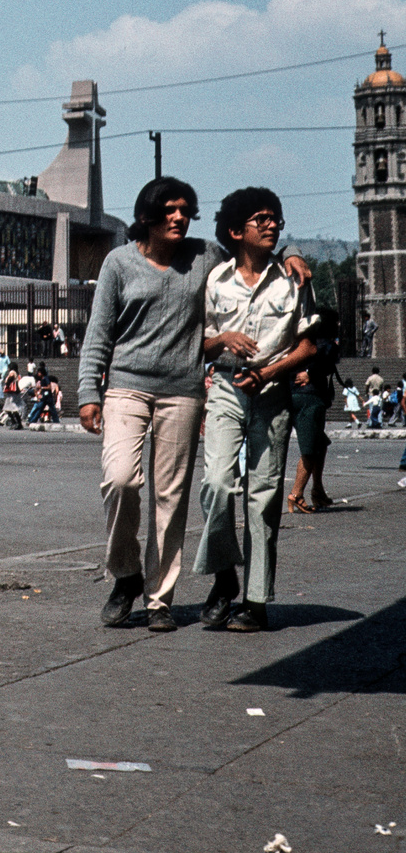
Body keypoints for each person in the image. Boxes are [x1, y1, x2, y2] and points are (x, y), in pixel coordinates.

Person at [78, 175, 312, 633]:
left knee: (172, 497)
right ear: (147, 215)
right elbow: (98, 333)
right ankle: (126, 574)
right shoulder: (119, 263)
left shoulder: (204, 256)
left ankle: (160, 599)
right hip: (126, 386)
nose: (180, 217)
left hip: (183, 391)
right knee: (120, 479)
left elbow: (253, 258)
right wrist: (89, 392)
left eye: (186, 210)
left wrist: (292, 254)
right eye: (170, 210)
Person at [192, 188, 318, 633]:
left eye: (275, 220)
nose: (270, 225)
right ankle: (225, 576)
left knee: (263, 499)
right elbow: (201, 343)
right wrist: (223, 340)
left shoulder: (293, 279)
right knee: (216, 483)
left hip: (273, 394)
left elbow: (308, 344)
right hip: (226, 390)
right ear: (235, 230)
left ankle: (256, 602)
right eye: (260, 219)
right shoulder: (216, 280)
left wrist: (270, 372)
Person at [287, 311, 339, 515]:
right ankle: (296, 494)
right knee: (311, 449)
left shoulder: (297, 340)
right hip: (310, 398)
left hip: (294, 394)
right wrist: (311, 374)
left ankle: (318, 489)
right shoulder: (326, 344)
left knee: (320, 443)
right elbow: (325, 361)